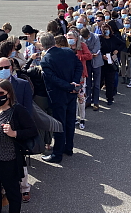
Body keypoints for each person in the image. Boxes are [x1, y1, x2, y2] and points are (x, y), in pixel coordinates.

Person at [0, 80, 37, 213]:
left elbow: (32, 130)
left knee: (13, 195)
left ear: (9, 94)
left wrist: (14, 133)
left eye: (1, 93)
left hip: (9, 161)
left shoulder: (17, 110)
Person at [39, 32, 83, 164]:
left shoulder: (45, 60)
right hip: (71, 93)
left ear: (42, 45)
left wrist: (70, 86)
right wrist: (74, 84)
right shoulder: (68, 52)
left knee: (59, 124)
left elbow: (53, 79)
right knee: (70, 121)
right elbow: (79, 66)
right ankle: (68, 147)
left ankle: (57, 153)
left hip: (58, 95)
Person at [66, 31, 92, 130]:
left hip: (80, 76)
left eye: (71, 37)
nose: (69, 39)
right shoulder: (66, 47)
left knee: (81, 98)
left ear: (76, 38)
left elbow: (89, 56)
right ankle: (74, 117)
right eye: (68, 37)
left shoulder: (82, 45)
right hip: (69, 76)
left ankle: (82, 119)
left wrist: (78, 57)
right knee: (72, 98)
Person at [99, 24, 126, 103]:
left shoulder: (114, 38)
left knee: (110, 81)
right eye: (104, 30)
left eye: (107, 29)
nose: (106, 31)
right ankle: (95, 97)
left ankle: (110, 98)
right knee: (99, 81)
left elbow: (123, 44)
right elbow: (97, 49)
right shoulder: (100, 38)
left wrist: (117, 50)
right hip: (102, 62)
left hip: (111, 62)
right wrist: (102, 55)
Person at [80, 28, 103, 112]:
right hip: (87, 62)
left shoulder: (96, 37)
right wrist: (89, 54)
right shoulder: (81, 38)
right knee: (88, 82)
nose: (86, 39)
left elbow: (96, 49)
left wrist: (89, 53)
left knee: (96, 83)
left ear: (89, 34)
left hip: (97, 62)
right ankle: (88, 100)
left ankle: (96, 102)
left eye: (87, 37)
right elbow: (82, 50)